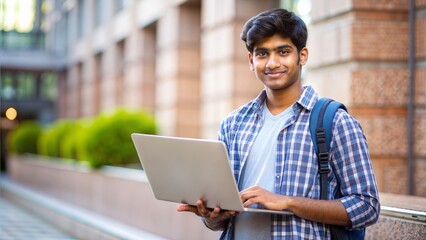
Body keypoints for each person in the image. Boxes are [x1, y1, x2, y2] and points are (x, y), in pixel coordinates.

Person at [177, 8, 380, 239]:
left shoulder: (335, 122)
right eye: (262, 54)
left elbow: (367, 207)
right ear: (251, 60)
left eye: (283, 52)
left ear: (302, 56)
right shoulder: (233, 124)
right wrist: (212, 216)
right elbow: (221, 221)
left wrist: (286, 202)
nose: (272, 63)